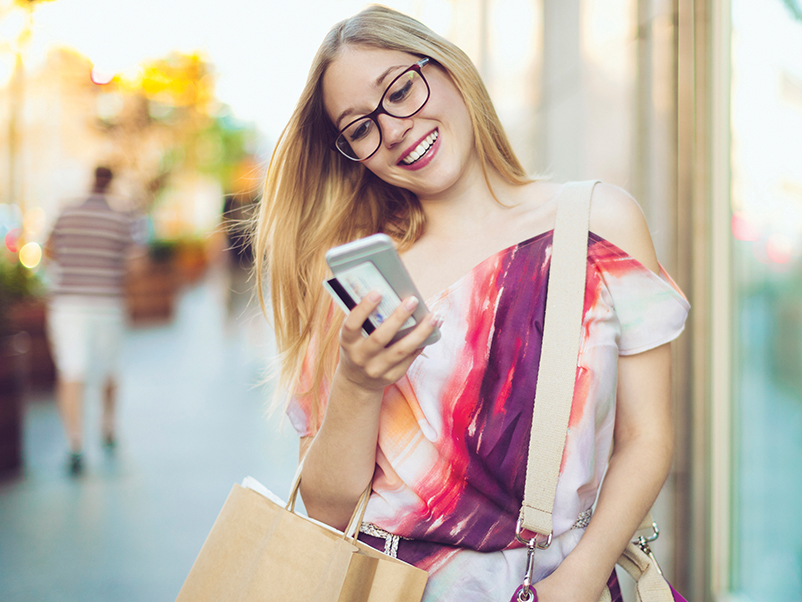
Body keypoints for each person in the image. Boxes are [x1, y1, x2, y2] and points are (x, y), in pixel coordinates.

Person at [254, 6, 689, 602]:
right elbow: (328, 509)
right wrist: (357, 382)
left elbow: (648, 437)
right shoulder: (364, 277)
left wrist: (580, 579)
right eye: (360, 128)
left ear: (449, 68)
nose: (395, 130)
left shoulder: (598, 223)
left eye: (400, 90)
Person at [45, 166, 133, 475]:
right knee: (109, 369)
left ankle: (75, 443)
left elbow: (48, 251)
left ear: (90, 180)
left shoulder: (66, 212)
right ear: (111, 184)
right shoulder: (121, 217)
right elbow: (135, 262)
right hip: (107, 304)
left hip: (67, 303)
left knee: (72, 369)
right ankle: (107, 427)